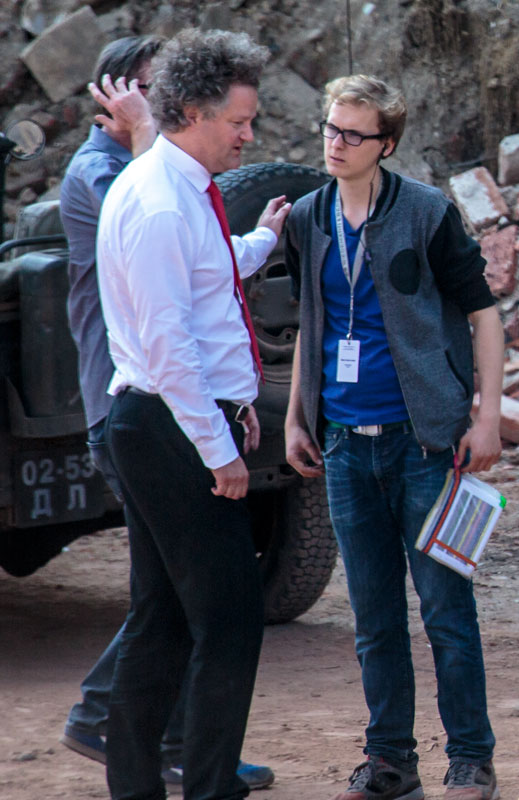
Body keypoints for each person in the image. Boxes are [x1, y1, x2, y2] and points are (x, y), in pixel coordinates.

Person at [58, 35, 273, 792]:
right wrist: (220, 450)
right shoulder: (156, 201)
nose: (249, 135)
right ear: (190, 112)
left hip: (165, 420)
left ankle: (138, 789)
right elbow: (171, 346)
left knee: (162, 617)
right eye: (237, 121)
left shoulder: (180, 188)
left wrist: (266, 239)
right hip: (168, 426)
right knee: (229, 619)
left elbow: (206, 274)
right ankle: (210, 788)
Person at [282, 74, 504, 800]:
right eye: (330, 128)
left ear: (388, 144)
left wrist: (488, 415)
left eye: (353, 134)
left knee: (446, 610)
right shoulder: (308, 217)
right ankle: (390, 762)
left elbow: (484, 315)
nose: (335, 143)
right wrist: (295, 416)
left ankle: (470, 758)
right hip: (345, 444)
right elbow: (311, 325)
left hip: (426, 445)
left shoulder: (428, 213)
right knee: (373, 618)